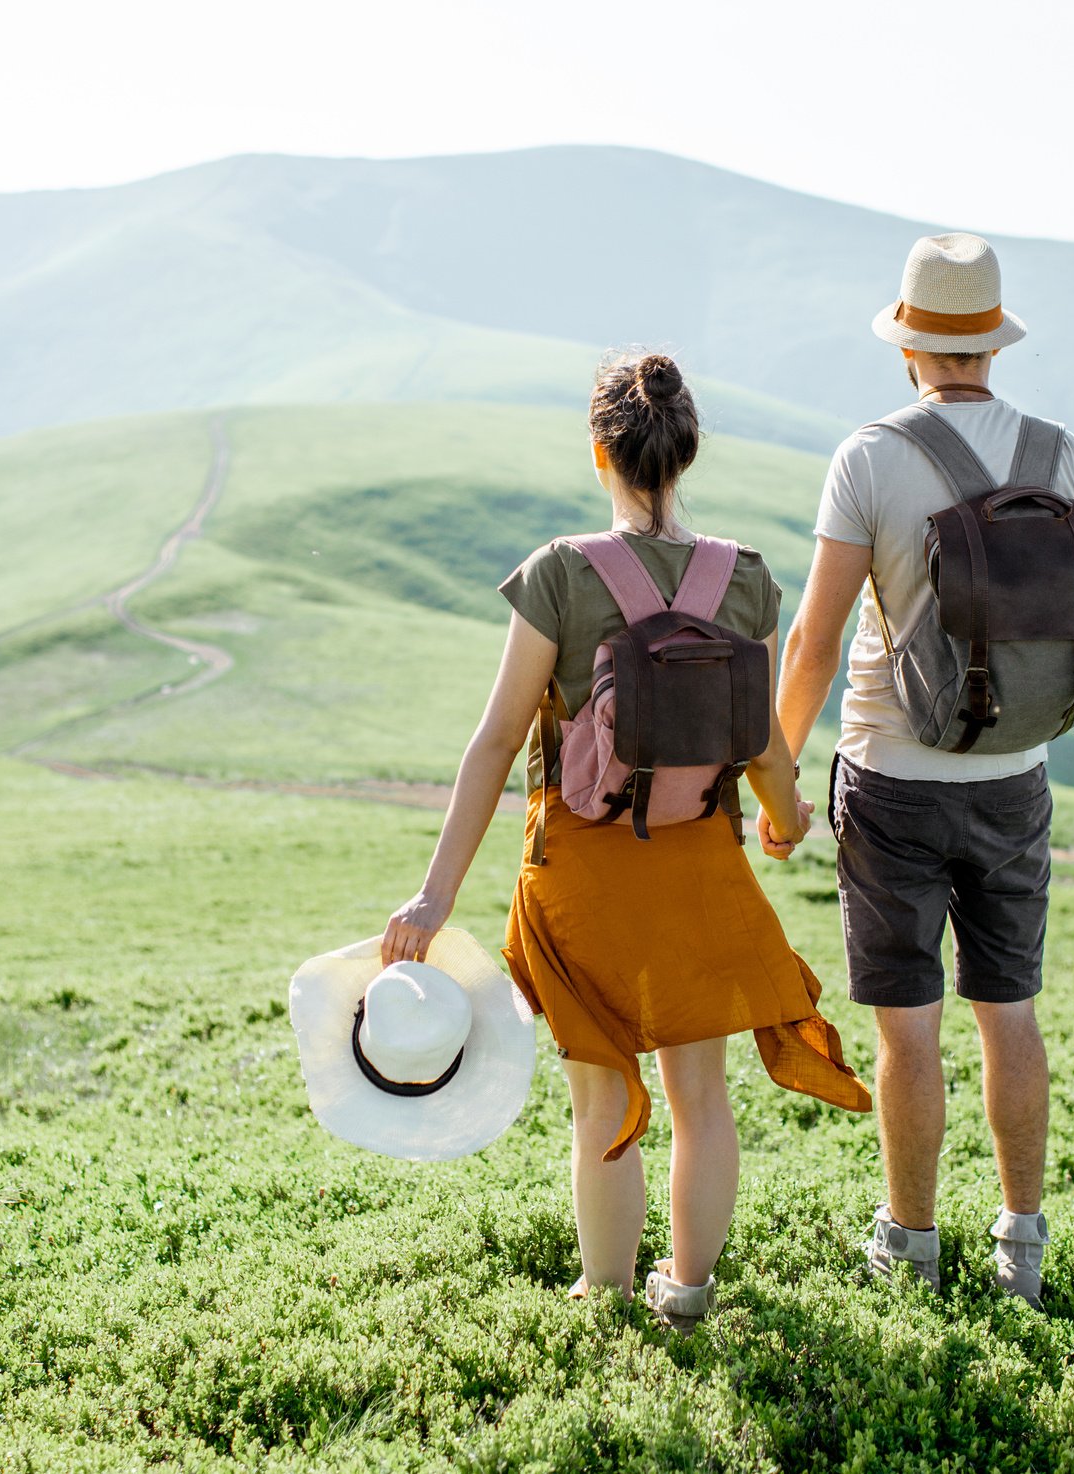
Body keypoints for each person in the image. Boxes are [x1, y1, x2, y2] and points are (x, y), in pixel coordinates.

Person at [383, 351, 871, 1331]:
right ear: (688, 451)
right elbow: (766, 747)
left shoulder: (560, 575)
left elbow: (493, 743)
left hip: (581, 873)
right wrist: (783, 820)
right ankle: (685, 1292)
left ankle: (603, 1296)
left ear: (599, 449)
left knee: (603, 1099)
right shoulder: (745, 582)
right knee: (702, 1099)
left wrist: (434, 898)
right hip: (699, 866)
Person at [773, 233, 1074, 1305]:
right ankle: (1022, 1249)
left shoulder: (872, 456)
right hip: (1015, 780)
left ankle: (910, 1246)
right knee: (1011, 1012)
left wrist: (779, 779)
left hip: (890, 780)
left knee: (909, 1026)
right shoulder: (1064, 456)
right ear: (992, 343)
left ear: (907, 345)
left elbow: (813, 641)